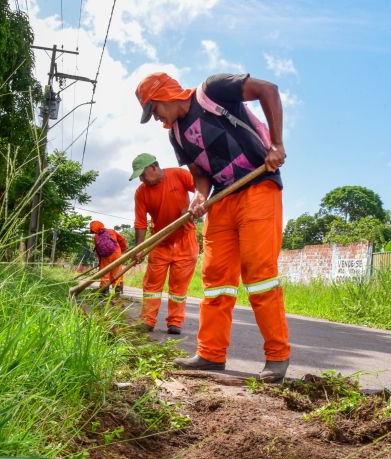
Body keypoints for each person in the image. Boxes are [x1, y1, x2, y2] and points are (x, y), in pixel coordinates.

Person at [134, 71, 290, 382]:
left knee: (259, 274)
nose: (157, 119)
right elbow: (198, 171)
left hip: (258, 185)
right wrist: (200, 197)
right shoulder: (175, 135)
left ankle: (277, 357)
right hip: (222, 198)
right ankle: (210, 353)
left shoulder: (213, 90)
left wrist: (276, 143)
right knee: (216, 279)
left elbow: (267, 90)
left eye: (155, 111)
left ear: (166, 95)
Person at [130, 153, 199, 334]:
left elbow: (201, 190)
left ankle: (175, 322)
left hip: (186, 240)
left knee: (179, 286)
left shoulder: (179, 175)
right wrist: (140, 248)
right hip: (159, 243)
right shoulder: (141, 192)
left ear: (153, 167)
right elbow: (140, 223)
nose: (141, 179)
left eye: (143, 174)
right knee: (152, 286)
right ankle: (147, 320)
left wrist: (192, 206)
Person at [89, 220, 128, 295]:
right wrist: (122, 250)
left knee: (105, 273)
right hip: (117, 254)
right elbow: (122, 240)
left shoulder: (96, 237)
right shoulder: (112, 231)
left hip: (105, 257)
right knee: (117, 272)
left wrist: (100, 262)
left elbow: (98, 251)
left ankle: (104, 292)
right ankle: (118, 291)